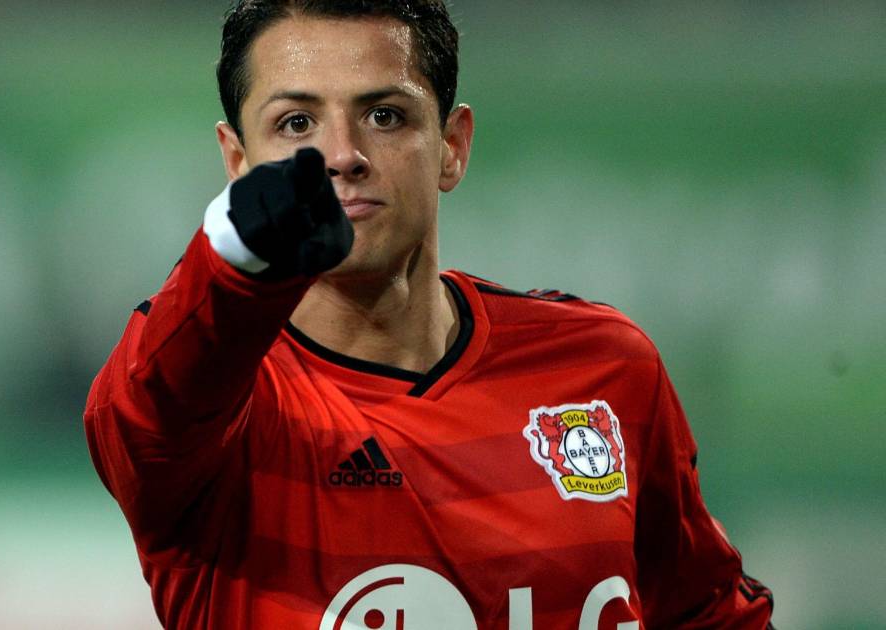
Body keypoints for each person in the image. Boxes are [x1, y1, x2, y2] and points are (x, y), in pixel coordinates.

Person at [84, 1, 774, 628]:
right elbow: (156, 394)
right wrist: (235, 251)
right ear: (238, 162)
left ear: (452, 145)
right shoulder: (210, 420)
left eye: (385, 115)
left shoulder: (603, 368)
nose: (343, 156)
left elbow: (710, 614)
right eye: (296, 123)